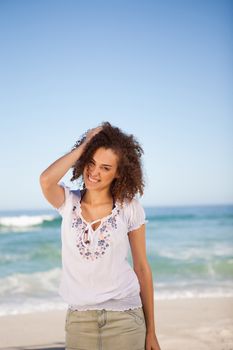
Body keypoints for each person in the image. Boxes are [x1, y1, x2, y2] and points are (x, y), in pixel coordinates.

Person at [39, 121, 161, 350]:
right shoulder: (68, 202)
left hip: (125, 316)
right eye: (91, 162)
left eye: (106, 168)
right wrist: (83, 147)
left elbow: (142, 267)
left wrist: (151, 331)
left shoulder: (129, 207)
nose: (94, 172)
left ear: (118, 173)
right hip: (79, 319)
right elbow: (46, 180)